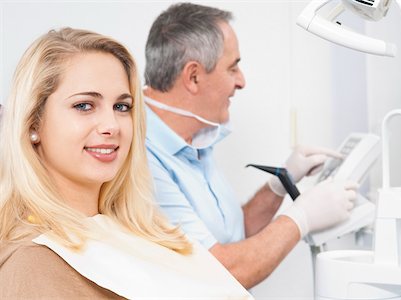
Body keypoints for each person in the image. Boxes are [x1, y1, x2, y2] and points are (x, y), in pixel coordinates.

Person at [0, 27, 252, 299]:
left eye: (122, 107)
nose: (111, 126)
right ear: (32, 123)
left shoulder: (150, 231)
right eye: (84, 105)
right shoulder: (34, 261)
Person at [143, 2, 359, 289]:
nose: (241, 82)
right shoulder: (142, 156)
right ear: (193, 76)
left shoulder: (197, 138)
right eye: (233, 68)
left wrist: (280, 183)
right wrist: (302, 217)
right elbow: (221, 269)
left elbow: (232, 235)